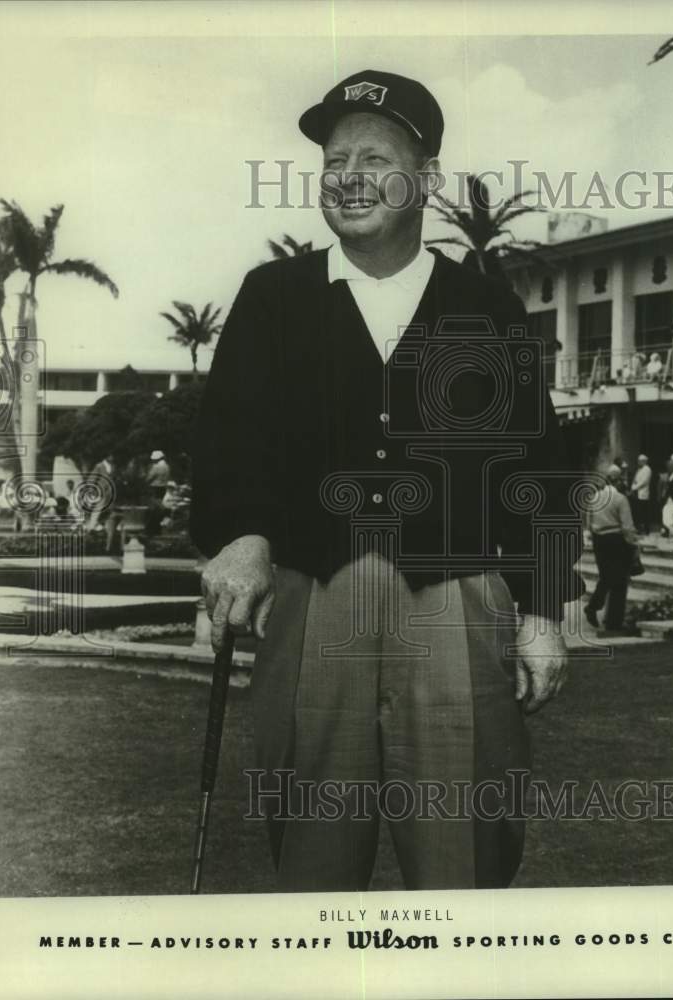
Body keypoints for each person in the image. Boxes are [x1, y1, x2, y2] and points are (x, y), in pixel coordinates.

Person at [191, 69, 584, 892]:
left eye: (375, 157)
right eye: (335, 161)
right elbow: (231, 436)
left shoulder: (485, 304)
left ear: (426, 180)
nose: (349, 177)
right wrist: (243, 534)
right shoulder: (274, 297)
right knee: (310, 856)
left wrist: (542, 611)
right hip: (310, 596)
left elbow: (536, 473)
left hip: (457, 598)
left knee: (463, 857)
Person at [584, 465, 637, 633]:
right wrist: (633, 545)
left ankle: (595, 607)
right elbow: (628, 526)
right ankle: (613, 621)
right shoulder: (620, 499)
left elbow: (588, 522)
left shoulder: (594, 498)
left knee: (606, 577)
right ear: (618, 480)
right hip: (616, 539)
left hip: (599, 540)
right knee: (619, 581)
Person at [630, 454, 652, 534]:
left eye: (640, 461)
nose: (638, 462)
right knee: (638, 512)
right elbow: (635, 480)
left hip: (643, 493)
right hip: (637, 493)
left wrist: (634, 488)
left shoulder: (647, 469)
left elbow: (644, 482)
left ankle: (646, 529)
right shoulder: (639, 469)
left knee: (644, 512)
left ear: (644, 461)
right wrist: (633, 487)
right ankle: (639, 528)